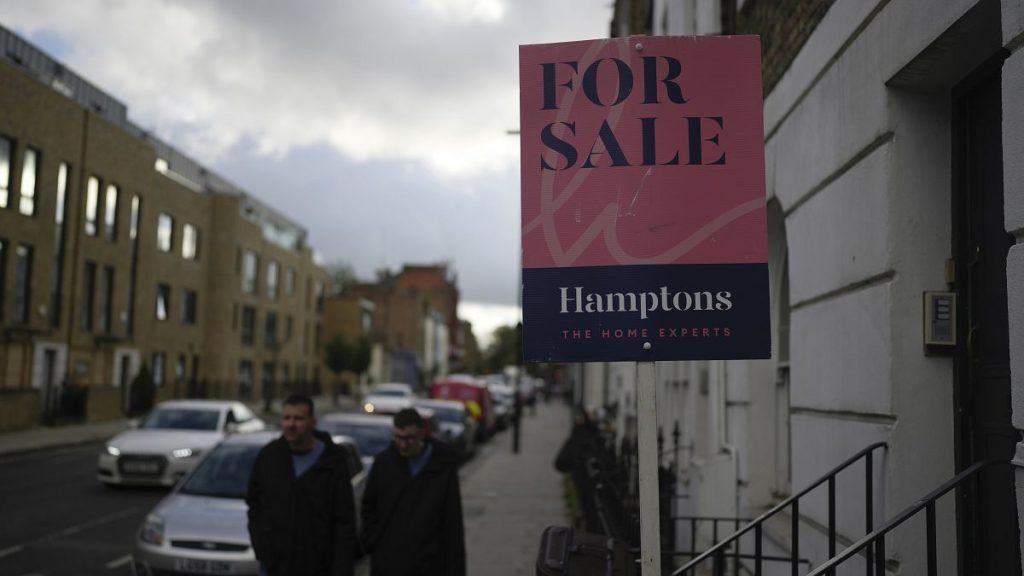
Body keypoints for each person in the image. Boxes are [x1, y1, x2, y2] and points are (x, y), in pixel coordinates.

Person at [246, 394, 356, 576]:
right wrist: (263, 550)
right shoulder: (270, 456)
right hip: (276, 566)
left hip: (319, 566)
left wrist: (341, 568)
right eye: (286, 418)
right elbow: (254, 504)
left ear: (312, 422)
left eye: (298, 418)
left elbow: (344, 520)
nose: (291, 424)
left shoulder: (333, 462)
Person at [361, 407, 466, 575]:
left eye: (409, 438)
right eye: (398, 438)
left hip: (430, 563)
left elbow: (452, 517)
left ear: (422, 434)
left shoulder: (442, 463)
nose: (403, 445)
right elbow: (369, 507)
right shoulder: (383, 463)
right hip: (390, 563)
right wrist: (374, 542)